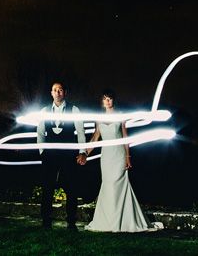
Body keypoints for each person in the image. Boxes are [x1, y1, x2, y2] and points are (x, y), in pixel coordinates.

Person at [85, 89, 153, 232]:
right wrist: (85, 153)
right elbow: (95, 136)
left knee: (118, 184)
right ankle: (107, 221)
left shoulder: (121, 116)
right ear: (102, 101)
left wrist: (128, 157)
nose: (107, 101)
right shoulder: (98, 118)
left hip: (118, 154)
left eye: (110, 98)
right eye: (105, 98)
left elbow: (125, 138)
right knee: (108, 185)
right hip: (106, 156)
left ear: (113, 100)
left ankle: (122, 221)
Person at [37, 81, 87, 230]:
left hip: (68, 154)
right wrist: (42, 152)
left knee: (72, 188)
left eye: (60, 89)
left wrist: (82, 152)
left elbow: (81, 132)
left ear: (65, 92)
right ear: (51, 93)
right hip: (50, 155)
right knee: (47, 188)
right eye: (55, 90)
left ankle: (71, 222)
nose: (57, 92)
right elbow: (40, 133)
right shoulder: (44, 111)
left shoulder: (74, 110)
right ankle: (46, 221)